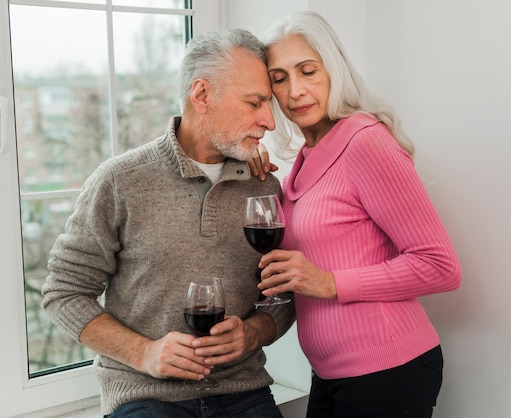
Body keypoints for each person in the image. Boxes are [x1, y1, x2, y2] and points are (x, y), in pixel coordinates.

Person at [41, 28, 295, 418]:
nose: (269, 121)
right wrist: (144, 353)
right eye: (254, 102)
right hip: (146, 397)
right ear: (202, 95)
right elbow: (64, 292)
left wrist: (252, 334)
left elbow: (282, 295)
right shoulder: (120, 181)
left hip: (244, 394)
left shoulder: (263, 188)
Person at [256, 11, 463, 418]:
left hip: (387, 370)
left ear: (333, 69)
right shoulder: (305, 157)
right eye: (280, 78)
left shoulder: (365, 141)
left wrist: (328, 282)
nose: (296, 90)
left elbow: (441, 266)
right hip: (331, 374)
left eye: (308, 71)